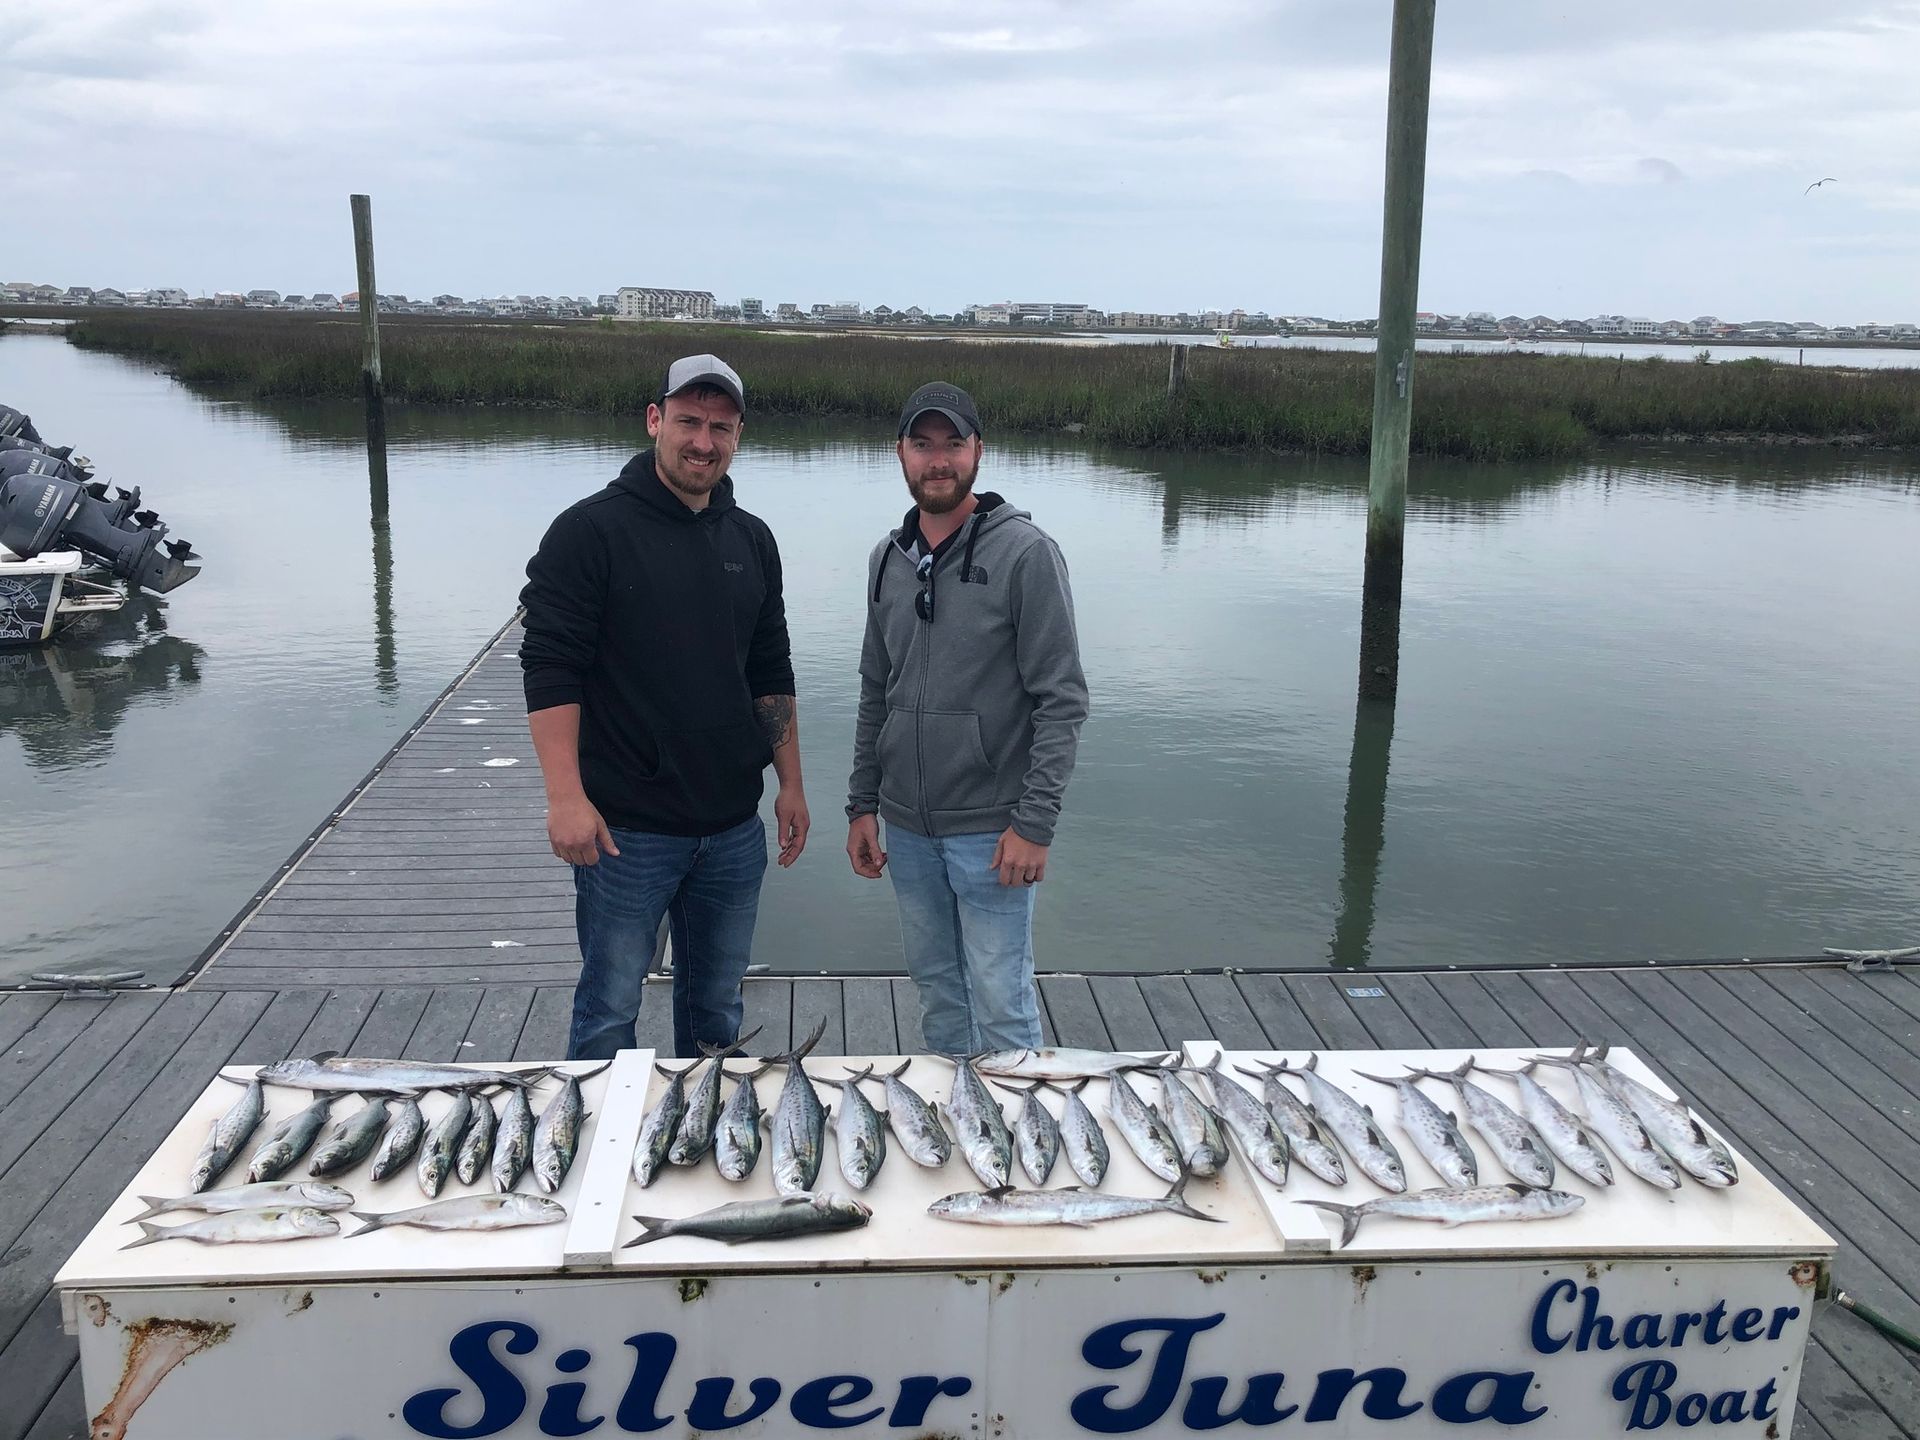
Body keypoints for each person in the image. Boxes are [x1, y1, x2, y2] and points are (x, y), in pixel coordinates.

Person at [520, 354, 808, 1060]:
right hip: (627, 834)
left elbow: (770, 668)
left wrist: (791, 784)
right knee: (610, 1010)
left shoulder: (752, 539)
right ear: (655, 420)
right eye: (687, 422)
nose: (702, 442)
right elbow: (550, 668)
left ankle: (703, 1149)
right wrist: (565, 798)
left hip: (732, 830)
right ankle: (593, 1149)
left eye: (721, 427)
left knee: (716, 1012)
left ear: (739, 435)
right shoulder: (589, 533)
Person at [846, 381, 1088, 1053]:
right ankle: (957, 1136)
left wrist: (1034, 825)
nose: (939, 460)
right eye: (922, 445)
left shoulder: (1026, 554)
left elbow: (1062, 698)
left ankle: (1024, 1143)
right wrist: (861, 805)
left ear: (979, 451)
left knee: (1001, 1000)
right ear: (899, 453)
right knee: (937, 990)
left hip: (993, 834)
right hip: (907, 830)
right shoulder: (885, 561)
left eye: (953, 444)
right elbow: (875, 688)